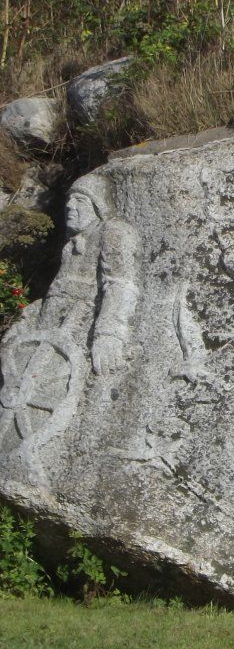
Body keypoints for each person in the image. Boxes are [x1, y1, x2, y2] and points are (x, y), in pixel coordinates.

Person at [0, 173, 138, 478]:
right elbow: (57, 290)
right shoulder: (69, 247)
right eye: (69, 199)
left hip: (77, 329)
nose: (70, 207)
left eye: (80, 200)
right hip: (47, 329)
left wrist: (107, 333)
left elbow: (120, 284)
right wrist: (27, 318)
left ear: (98, 206)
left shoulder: (113, 232)